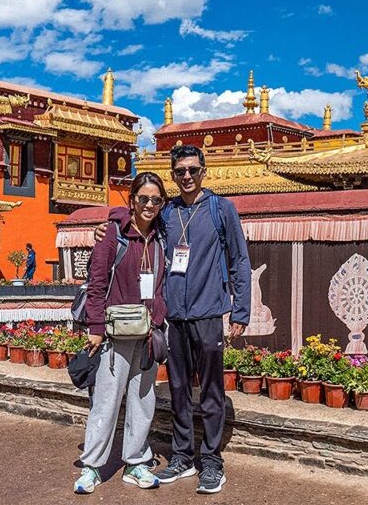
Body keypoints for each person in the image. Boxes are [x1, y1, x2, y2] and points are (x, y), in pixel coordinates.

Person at [95, 145, 251, 494]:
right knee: (179, 389)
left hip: (208, 312)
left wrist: (240, 310)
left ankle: (211, 461)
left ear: (203, 171)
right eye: (180, 171)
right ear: (173, 174)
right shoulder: (168, 212)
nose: (187, 177)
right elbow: (137, 215)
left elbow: (239, 261)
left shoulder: (221, 210)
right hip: (173, 317)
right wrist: (108, 224)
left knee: (210, 391)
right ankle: (182, 456)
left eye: (193, 170)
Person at [74, 172, 169, 495]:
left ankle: (135, 461)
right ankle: (92, 466)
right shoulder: (112, 235)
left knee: (143, 401)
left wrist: (159, 315)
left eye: (156, 200)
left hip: (147, 333)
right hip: (113, 336)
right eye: (143, 198)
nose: (149, 205)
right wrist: (96, 328)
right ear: (132, 200)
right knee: (106, 401)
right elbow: (97, 283)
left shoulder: (161, 238)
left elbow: (162, 284)